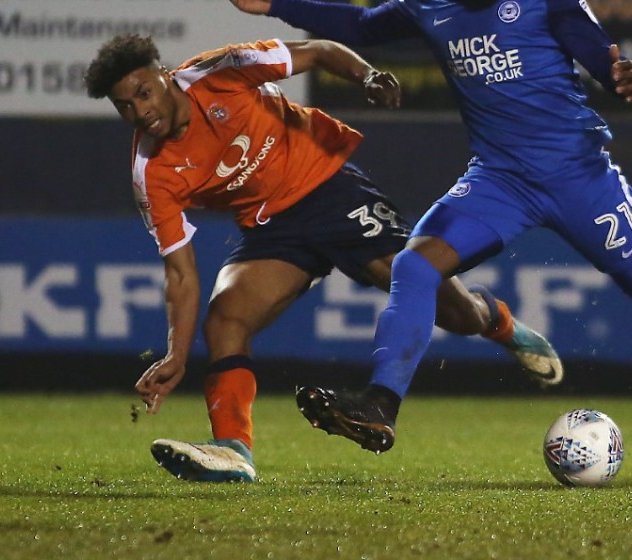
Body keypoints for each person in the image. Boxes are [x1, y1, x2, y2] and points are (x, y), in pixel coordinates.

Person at [216, 0, 632, 454]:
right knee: (414, 266)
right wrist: (277, 3)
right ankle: (380, 406)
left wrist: (617, 75)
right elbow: (364, 25)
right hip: (500, 180)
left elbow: (597, 52)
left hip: (578, 175)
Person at [83, 33, 563, 482]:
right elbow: (181, 275)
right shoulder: (151, 171)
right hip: (272, 229)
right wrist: (177, 354)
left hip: (330, 190)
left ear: (164, 74)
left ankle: (497, 320)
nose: (140, 111)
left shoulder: (222, 71)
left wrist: (367, 76)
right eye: (125, 105)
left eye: (144, 93)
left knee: (455, 314)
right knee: (226, 318)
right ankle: (233, 448)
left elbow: (318, 51)